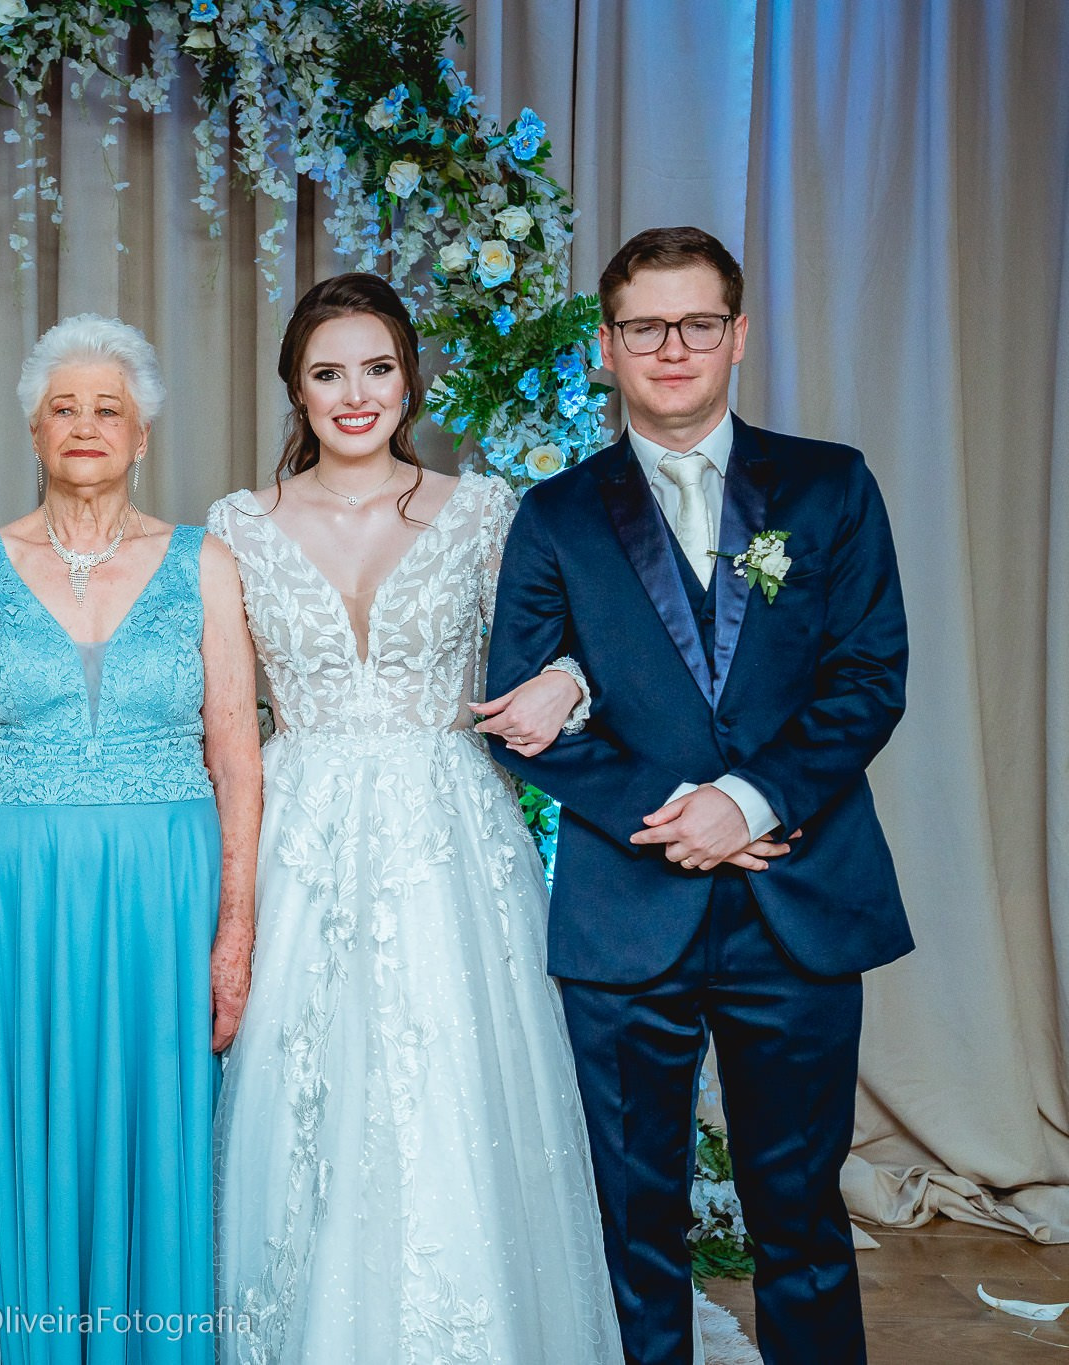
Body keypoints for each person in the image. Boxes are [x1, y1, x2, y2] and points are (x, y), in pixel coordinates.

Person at [486, 226, 910, 1365]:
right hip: (626, 915)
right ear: (607, 349)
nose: (670, 349)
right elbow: (516, 722)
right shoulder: (555, 515)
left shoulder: (827, 486)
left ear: (735, 337)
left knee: (799, 1217)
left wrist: (751, 799)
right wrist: (684, 814)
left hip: (798, 900)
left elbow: (870, 679)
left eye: (695, 325)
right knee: (633, 1225)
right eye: (643, 328)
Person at [207, 272, 622, 1363]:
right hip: (296, 824)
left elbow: (578, 644)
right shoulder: (236, 526)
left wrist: (567, 683)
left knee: (445, 1078)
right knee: (299, 1087)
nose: (356, 395)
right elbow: (222, 718)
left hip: (445, 832)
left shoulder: (480, 508)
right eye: (327, 372)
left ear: (408, 379)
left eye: (377, 369)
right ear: (294, 390)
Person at [0, 314, 261, 1364]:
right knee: (33, 1138)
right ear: (31, 429)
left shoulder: (203, 562)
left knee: (163, 1136)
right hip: (14, 893)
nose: (84, 423)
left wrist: (235, 929)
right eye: (62, 406)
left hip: (167, 888)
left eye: (107, 408)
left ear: (142, 436)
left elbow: (237, 760)